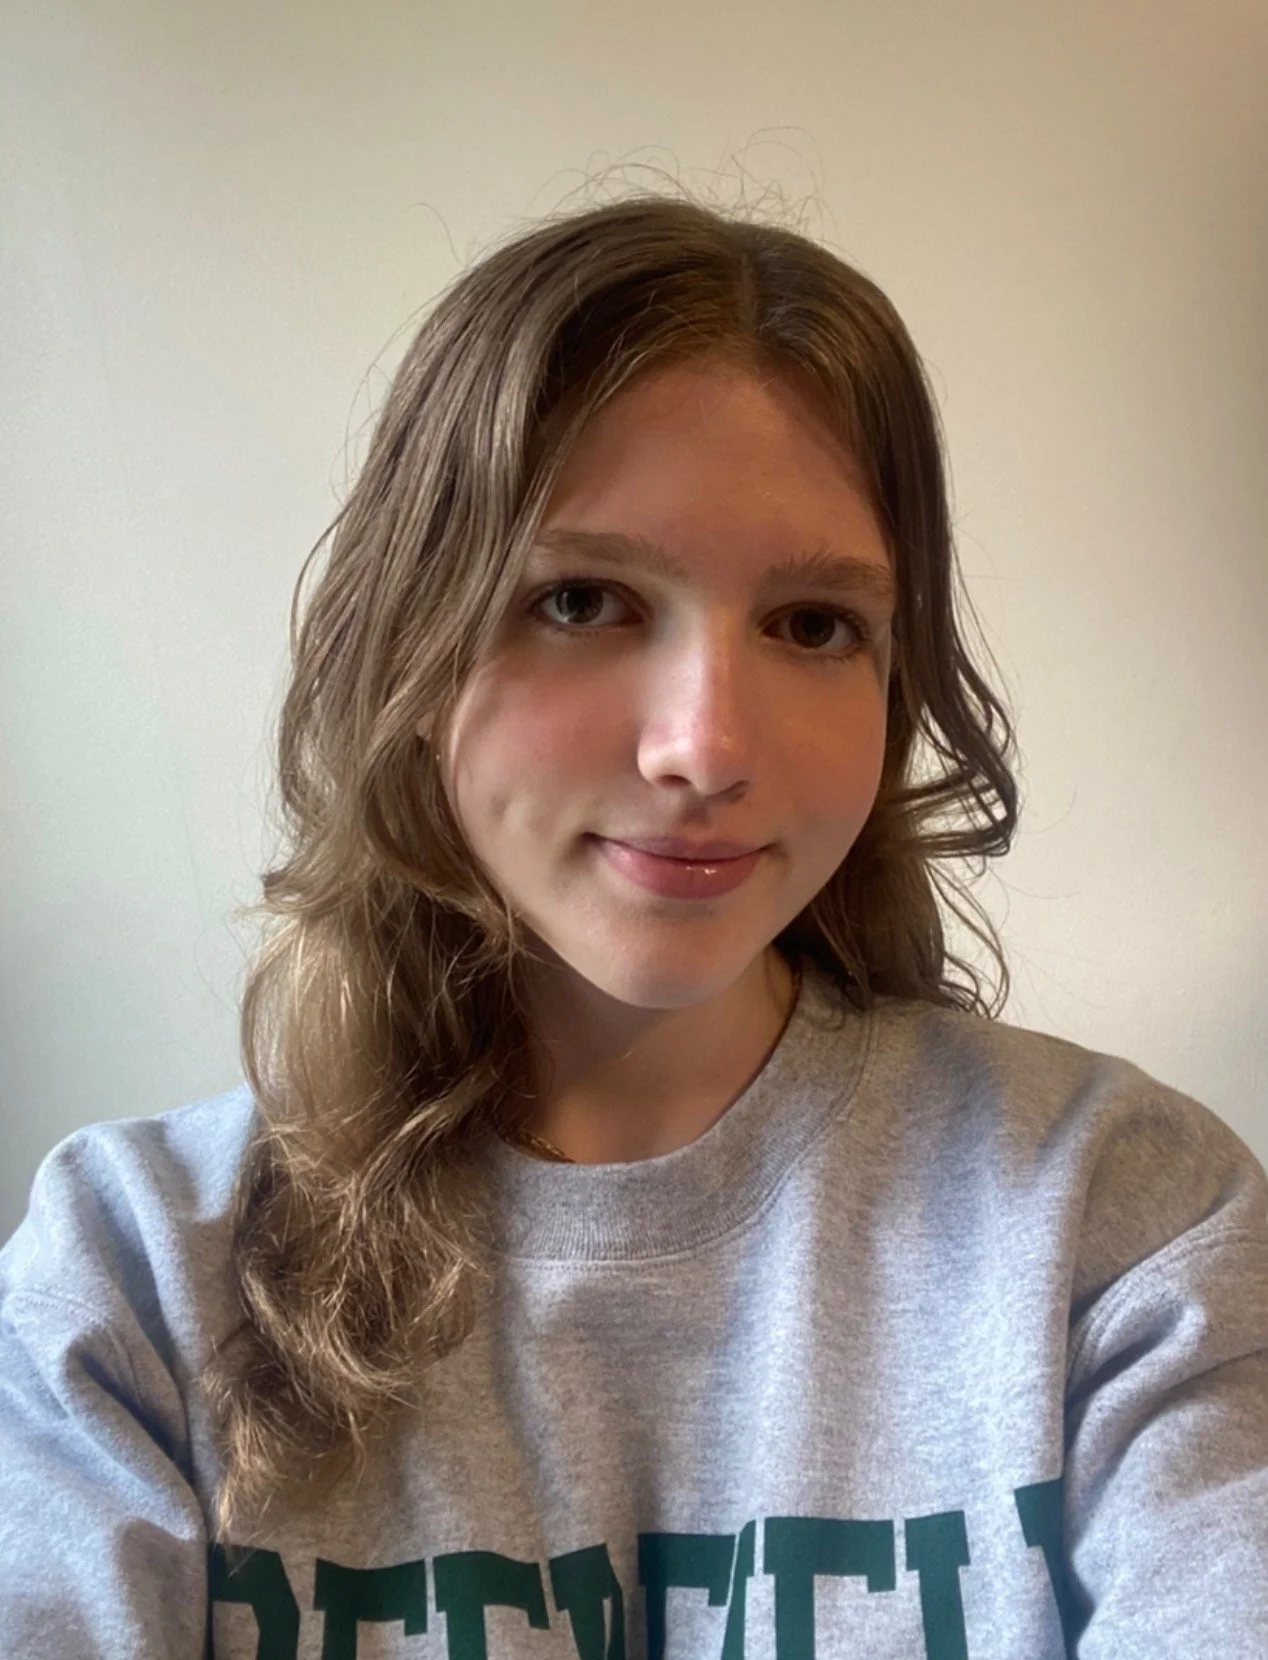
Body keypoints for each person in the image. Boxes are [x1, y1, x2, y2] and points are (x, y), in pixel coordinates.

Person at [1, 192, 1265, 1660]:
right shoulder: (138, 1275)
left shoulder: (1122, 1220)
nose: (706, 749)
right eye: (584, 598)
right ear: (405, 651)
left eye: (812, 625)